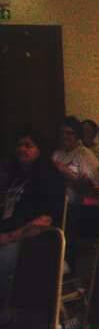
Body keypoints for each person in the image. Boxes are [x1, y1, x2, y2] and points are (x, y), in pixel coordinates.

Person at [0, 131, 65, 307]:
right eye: (19, 145)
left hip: (35, 236)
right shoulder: (15, 176)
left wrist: (10, 236)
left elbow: (45, 221)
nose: (22, 149)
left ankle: (6, 309)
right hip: (11, 231)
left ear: (40, 150)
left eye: (28, 146)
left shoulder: (49, 178)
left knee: (4, 255)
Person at [52, 116, 99, 202]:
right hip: (58, 200)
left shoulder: (84, 154)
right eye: (61, 132)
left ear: (77, 135)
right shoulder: (56, 154)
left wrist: (66, 171)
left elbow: (91, 186)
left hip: (78, 202)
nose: (64, 136)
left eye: (69, 133)